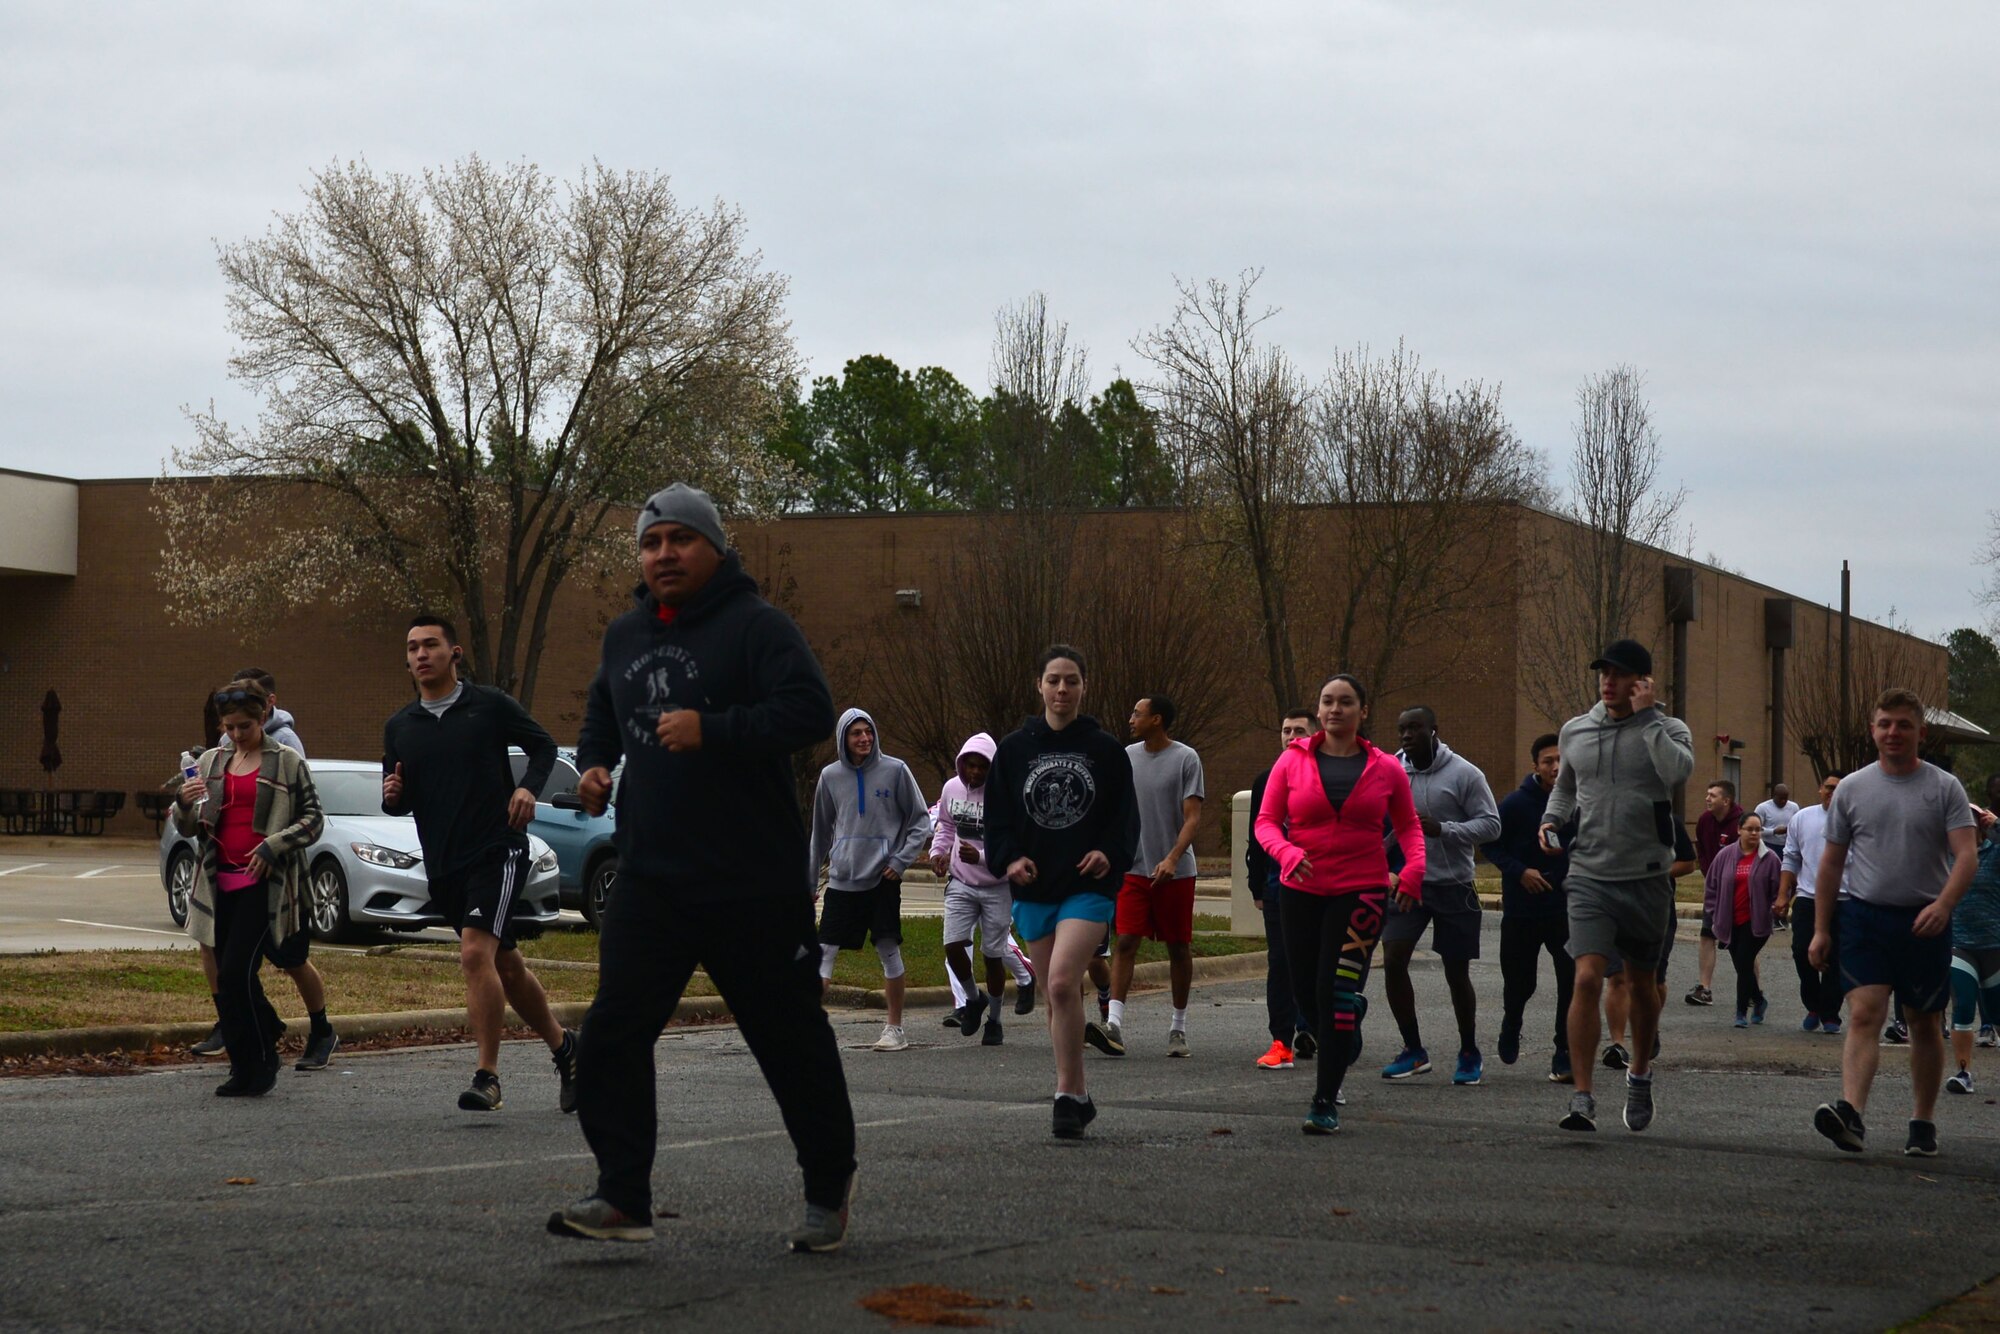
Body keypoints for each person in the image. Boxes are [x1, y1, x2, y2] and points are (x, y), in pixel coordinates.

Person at [550, 483, 856, 1250]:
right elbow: (601, 714)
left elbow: (810, 712)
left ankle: (828, 1185)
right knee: (613, 1032)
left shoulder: (757, 626)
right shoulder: (624, 636)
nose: (663, 555)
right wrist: (592, 766)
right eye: (651, 544)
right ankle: (623, 1196)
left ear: (715, 548)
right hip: (652, 878)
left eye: (680, 540)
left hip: (750, 881)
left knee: (787, 1039)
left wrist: (713, 730)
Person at [382, 614, 577, 1114]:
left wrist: (528, 786)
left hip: (497, 848)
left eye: (430, 645)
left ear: (455, 653)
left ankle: (487, 1075)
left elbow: (544, 747)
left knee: (474, 955)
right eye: (412, 648)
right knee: (504, 965)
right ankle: (566, 1048)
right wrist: (394, 796)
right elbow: (399, 802)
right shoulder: (401, 727)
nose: (420, 655)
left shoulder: (487, 706)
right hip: (444, 863)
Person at [1810, 689, 1980, 1158]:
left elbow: (1966, 855)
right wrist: (1822, 928)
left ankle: (1922, 1123)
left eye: (1903, 724)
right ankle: (1851, 1115)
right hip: (1865, 917)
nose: (1893, 732)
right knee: (1865, 1013)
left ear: (1921, 733)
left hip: (1924, 920)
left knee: (1923, 1022)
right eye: (1884, 723)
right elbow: (1830, 864)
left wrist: (1945, 904)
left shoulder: (1944, 788)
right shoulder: (1852, 789)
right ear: (1873, 731)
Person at [1256, 673, 1425, 1134]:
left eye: (1346, 702)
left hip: (1362, 892)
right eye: (1327, 701)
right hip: (1301, 890)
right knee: (1307, 994)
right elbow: (1267, 823)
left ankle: (1324, 1099)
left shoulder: (1386, 767)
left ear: (1362, 711)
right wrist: (1288, 852)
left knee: (1335, 994)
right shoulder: (1292, 762)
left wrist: (1412, 870)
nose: (1335, 709)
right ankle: (1348, 1012)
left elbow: (1408, 826)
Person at [1541, 639, 1695, 1134]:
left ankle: (1640, 1073)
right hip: (1589, 873)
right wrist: (1551, 820)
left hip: (1647, 876)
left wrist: (1648, 719)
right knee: (1587, 976)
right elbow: (1566, 784)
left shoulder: (1669, 729)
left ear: (1643, 682)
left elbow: (1677, 774)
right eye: (1604, 673)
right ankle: (1582, 1096)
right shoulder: (1576, 731)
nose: (1609, 681)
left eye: (1620, 673)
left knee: (1642, 985)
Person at [985, 645, 1138, 1140]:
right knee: (1059, 999)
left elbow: (1124, 819)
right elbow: (998, 818)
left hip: (1086, 887)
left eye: (1071, 680)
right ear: (1040, 686)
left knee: (1059, 983)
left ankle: (1065, 1094)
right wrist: (1009, 858)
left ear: (1084, 687)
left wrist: (1107, 853)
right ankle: (1078, 1093)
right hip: (1034, 887)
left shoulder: (1105, 749)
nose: (1062, 689)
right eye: (1054, 680)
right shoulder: (1014, 748)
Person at [173, 679, 325, 1096]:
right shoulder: (211, 761)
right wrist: (184, 803)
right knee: (225, 976)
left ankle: (261, 1062)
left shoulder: (286, 760)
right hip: (217, 883)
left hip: (264, 884)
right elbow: (188, 825)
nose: (237, 735)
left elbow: (314, 819)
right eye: (229, 727)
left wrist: (274, 845)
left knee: (238, 972)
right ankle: (245, 1064)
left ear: (262, 719)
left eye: (245, 726)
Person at [1379, 706, 1499, 1086]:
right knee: (1394, 959)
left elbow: (1492, 825)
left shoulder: (1464, 773)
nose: (1406, 736)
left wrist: (1444, 830)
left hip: (1454, 885)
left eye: (1414, 728)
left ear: (1434, 731)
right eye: (1401, 730)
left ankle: (1468, 1051)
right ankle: (1413, 1050)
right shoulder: (1391, 771)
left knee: (1455, 971)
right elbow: (1384, 822)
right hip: (1408, 883)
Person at [810, 708, 931, 1053]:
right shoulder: (830, 777)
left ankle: (895, 1029)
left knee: (888, 950)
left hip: (882, 881)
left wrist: (900, 860)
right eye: (855, 733)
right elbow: (819, 834)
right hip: (842, 880)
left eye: (868, 732)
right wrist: (809, 883)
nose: (864, 738)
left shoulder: (896, 771)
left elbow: (921, 821)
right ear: (843, 739)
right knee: (823, 954)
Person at [1093, 696, 1204, 1059]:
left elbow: (1192, 818)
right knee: (1125, 942)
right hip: (1134, 868)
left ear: (1157, 720)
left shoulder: (1187, 759)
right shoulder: (1127, 756)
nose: (1131, 719)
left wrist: (1172, 858)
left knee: (1178, 947)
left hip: (1176, 872)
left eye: (1136, 713)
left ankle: (1178, 1027)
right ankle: (1114, 1025)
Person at [1484, 733, 1577, 1083]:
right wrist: (1520, 871)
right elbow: (1490, 847)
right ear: (1535, 766)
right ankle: (1512, 1022)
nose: (1555, 766)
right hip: (1523, 910)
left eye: (1561, 760)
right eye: (1548, 761)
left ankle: (1564, 1050)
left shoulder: (1577, 802)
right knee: (1520, 983)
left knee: (1571, 980)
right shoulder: (1515, 804)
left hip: (1565, 909)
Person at [931, 732, 1015, 1045]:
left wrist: (980, 856)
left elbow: (1010, 844)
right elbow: (947, 827)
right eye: (970, 765)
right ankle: (972, 998)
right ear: (961, 764)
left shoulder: (1004, 797)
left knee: (993, 956)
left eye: (982, 766)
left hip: (997, 886)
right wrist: (939, 853)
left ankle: (994, 1019)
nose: (975, 772)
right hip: (961, 881)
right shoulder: (951, 788)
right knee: (953, 945)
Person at [1247, 709, 1317, 1069]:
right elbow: (1257, 835)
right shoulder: (1267, 779)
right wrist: (1256, 884)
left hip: (1322, 886)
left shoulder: (1328, 776)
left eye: (1299, 730)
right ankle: (1281, 1040)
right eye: (1286, 730)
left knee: (1316, 961)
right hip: (1278, 887)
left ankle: (1312, 1026)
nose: (1291, 736)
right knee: (1281, 963)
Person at [1601, 822, 1694, 1068]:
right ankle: (1617, 1044)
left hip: (1656, 909)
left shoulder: (1669, 821)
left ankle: (1650, 1027)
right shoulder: (1607, 818)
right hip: (1615, 908)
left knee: (1654, 980)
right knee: (1617, 976)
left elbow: (1687, 863)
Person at [1776, 772, 1846, 1034]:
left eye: (1838, 789)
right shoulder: (1802, 818)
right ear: (1820, 789)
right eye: (1828, 787)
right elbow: (1791, 857)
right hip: (1808, 897)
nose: (1832, 793)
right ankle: (1813, 1005)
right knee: (1801, 952)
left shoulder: (1854, 819)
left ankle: (1830, 1013)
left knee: (1837, 957)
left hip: (1844, 899)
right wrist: (1783, 894)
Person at [1702, 812, 1781, 1026]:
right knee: (1743, 967)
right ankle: (1758, 999)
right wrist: (1712, 911)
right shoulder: (1725, 856)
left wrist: (1775, 907)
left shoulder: (1770, 858)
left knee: (1745, 962)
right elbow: (1711, 886)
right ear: (1739, 830)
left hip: (1756, 923)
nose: (1755, 833)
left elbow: (1780, 888)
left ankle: (1740, 1013)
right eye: (1750, 829)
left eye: (1758, 829)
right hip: (1729, 921)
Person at [1947, 797, 2000, 1095]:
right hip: (1960, 943)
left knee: (1997, 1010)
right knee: (1963, 1005)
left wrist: (1998, 825)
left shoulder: (1995, 853)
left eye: (1972, 819)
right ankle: (1963, 1072)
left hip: (1995, 944)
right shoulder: (1948, 855)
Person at [1685, 780, 1744, 1007]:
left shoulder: (1741, 823)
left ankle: (1751, 989)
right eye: (1707, 794)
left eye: (1713, 795)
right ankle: (1704, 988)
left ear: (1726, 800)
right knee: (1707, 935)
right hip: (1714, 892)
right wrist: (1708, 873)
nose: (1707, 799)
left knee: (1740, 942)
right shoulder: (1704, 821)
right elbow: (1701, 848)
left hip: (1738, 893)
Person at [1755, 782, 1801, 867]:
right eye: (1780, 799)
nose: (1783, 801)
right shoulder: (1762, 808)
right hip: (1768, 845)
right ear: (1774, 795)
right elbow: (1756, 830)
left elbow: (1798, 826)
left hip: (1788, 846)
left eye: (1785, 799)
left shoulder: (1794, 807)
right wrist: (1774, 831)